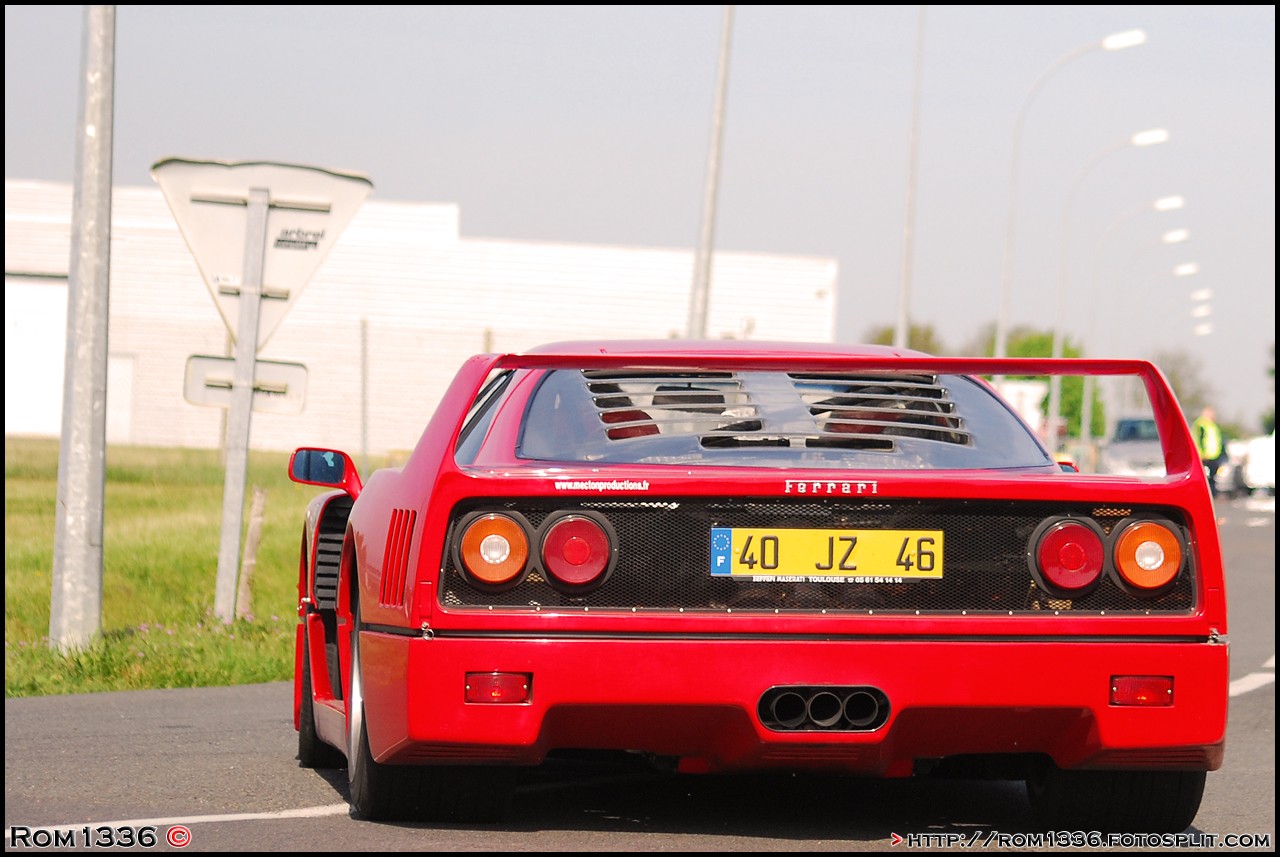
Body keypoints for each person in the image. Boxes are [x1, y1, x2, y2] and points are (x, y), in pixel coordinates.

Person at [1191, 406, 1227, 498]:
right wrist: (1201, 454)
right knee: (1206, 478)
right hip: (1205, 457)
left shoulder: (1212, 425)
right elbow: (1198, 440)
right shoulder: (1201, 424)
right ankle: (1206, 494)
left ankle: (1212, 494)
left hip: (1214, 456)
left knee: (1213, 477)